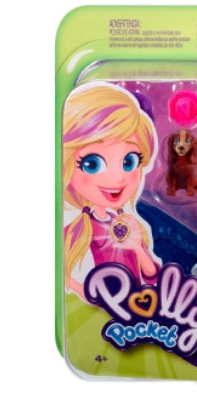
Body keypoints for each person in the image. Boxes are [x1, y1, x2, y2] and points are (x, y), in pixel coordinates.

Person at [62, 83, 160, 297]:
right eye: (92, 164)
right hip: (104, 306)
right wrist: (85, 292)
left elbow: (152, 275)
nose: (118, 178)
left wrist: (137, 247)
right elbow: (60, 273)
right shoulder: (76, 229)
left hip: (137, 304)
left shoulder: (130, 224)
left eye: (129, 161)